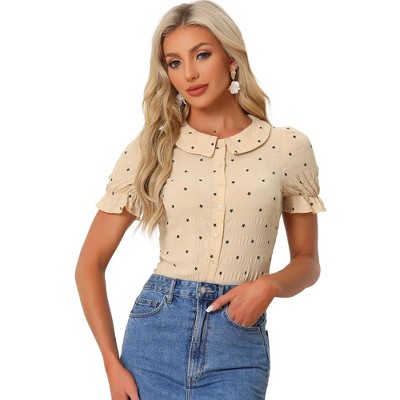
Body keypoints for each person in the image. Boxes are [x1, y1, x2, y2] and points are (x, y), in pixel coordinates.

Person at [75, 1, 326, 399]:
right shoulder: (152, 149)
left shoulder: (287, 148)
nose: (189, 73)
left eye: (202, 55)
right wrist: (110, 361)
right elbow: (90, 263)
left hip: (238, 343)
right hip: (155, 337)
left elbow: (308, 262)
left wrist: (270, 285)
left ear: (232, 59)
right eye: (174, 63)